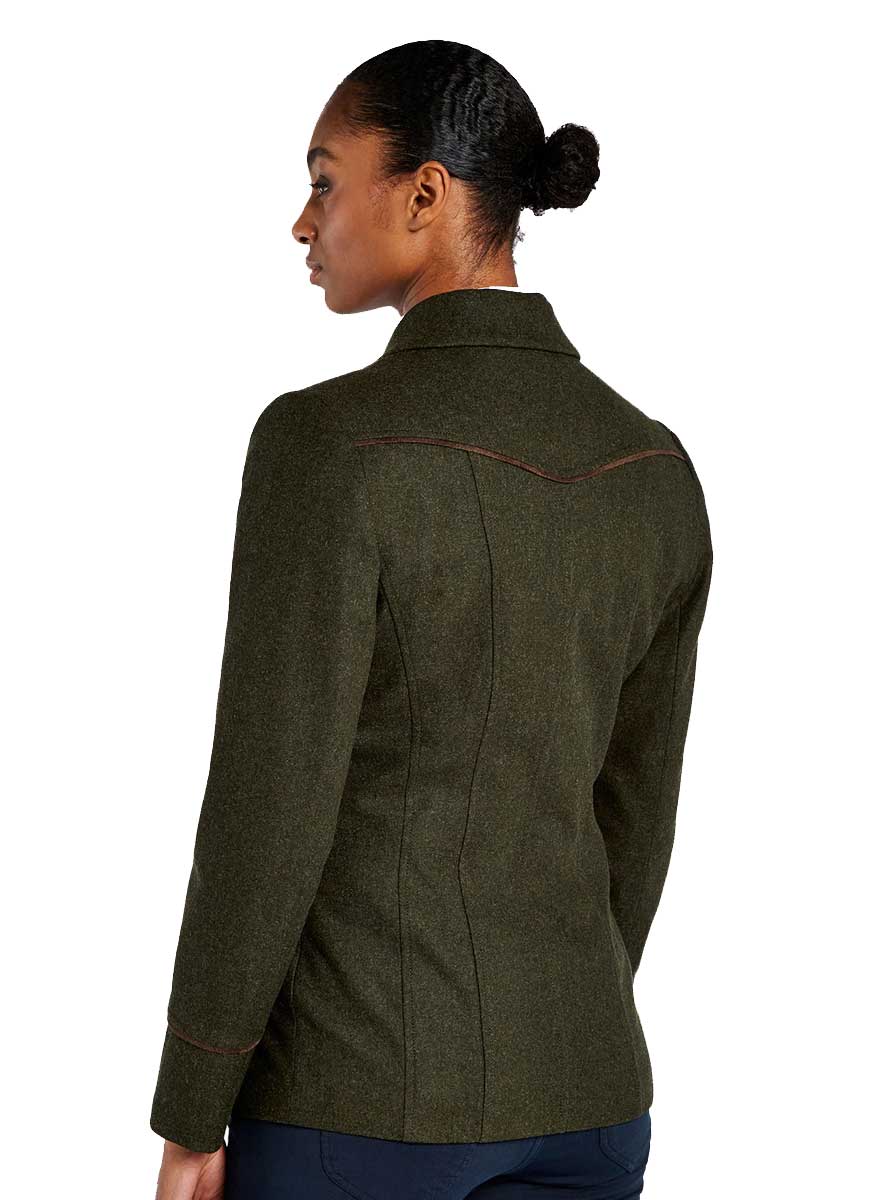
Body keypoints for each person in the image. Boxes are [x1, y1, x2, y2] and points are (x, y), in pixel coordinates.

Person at [150, 38, 713, 1200]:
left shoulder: (325, 446)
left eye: (323, 181)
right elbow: (637, 811)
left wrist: (194, 1109)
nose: (303, 224)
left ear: (424, 192)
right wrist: (560, 1023)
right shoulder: (654, 467)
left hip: (359, 1103)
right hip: (590, 1100)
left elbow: (269, 805)